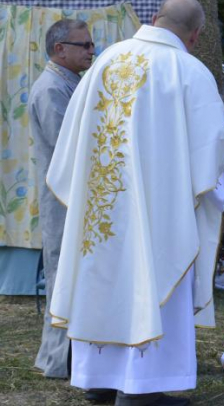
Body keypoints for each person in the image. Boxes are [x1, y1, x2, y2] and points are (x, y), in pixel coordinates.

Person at [47, 0, 224, 406]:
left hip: (102, 208)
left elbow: (72, 138)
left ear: (154, 19)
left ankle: (99, 379)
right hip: (157, 213)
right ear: (196, 35)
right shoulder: (189, 70)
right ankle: (142, 389)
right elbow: (215, 148)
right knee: (152, 281)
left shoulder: (108, 59)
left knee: (103, 281)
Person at [30, 19, 94, 380]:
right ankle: (56, 361)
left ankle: (74, 355)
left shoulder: (71, 82)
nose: (90, 50)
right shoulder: (52, 88)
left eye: (90, 44)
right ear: (60, 49)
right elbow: (65, 147)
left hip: (76, 195)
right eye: (83, 45)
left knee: (76, 275)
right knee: (61, 276)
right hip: (62, 197)